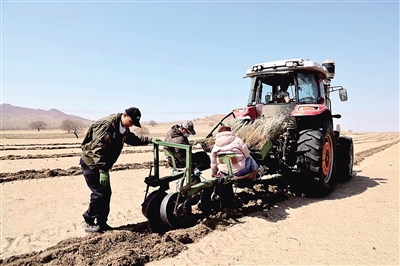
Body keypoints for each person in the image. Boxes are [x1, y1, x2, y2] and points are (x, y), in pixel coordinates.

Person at [80, 107, 157, 233]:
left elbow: (132, 139)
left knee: (106, 193)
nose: (131, 125)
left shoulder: (123, 128)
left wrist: (149, 140)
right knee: (99, 193)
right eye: (131, 121)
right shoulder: (108, 125)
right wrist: (103, 170)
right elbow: (97, 148)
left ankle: (101, 223)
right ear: (125, 115)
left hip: (101, 165)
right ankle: (89, 220)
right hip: (92, 163)